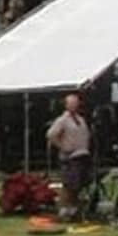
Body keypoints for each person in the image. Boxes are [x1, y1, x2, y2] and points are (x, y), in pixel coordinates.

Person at [46, 92, 92, 220]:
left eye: (76, 103)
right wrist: (63, 146)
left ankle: (74, 209)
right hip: (70, 157)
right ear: (66, 105)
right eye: (71, 103)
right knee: (69, 185)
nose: (74, 105)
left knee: (79, 185)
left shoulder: (81, 119)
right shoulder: (62, 120)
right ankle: (64, 210)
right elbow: (51, 134)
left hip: (83, 155)